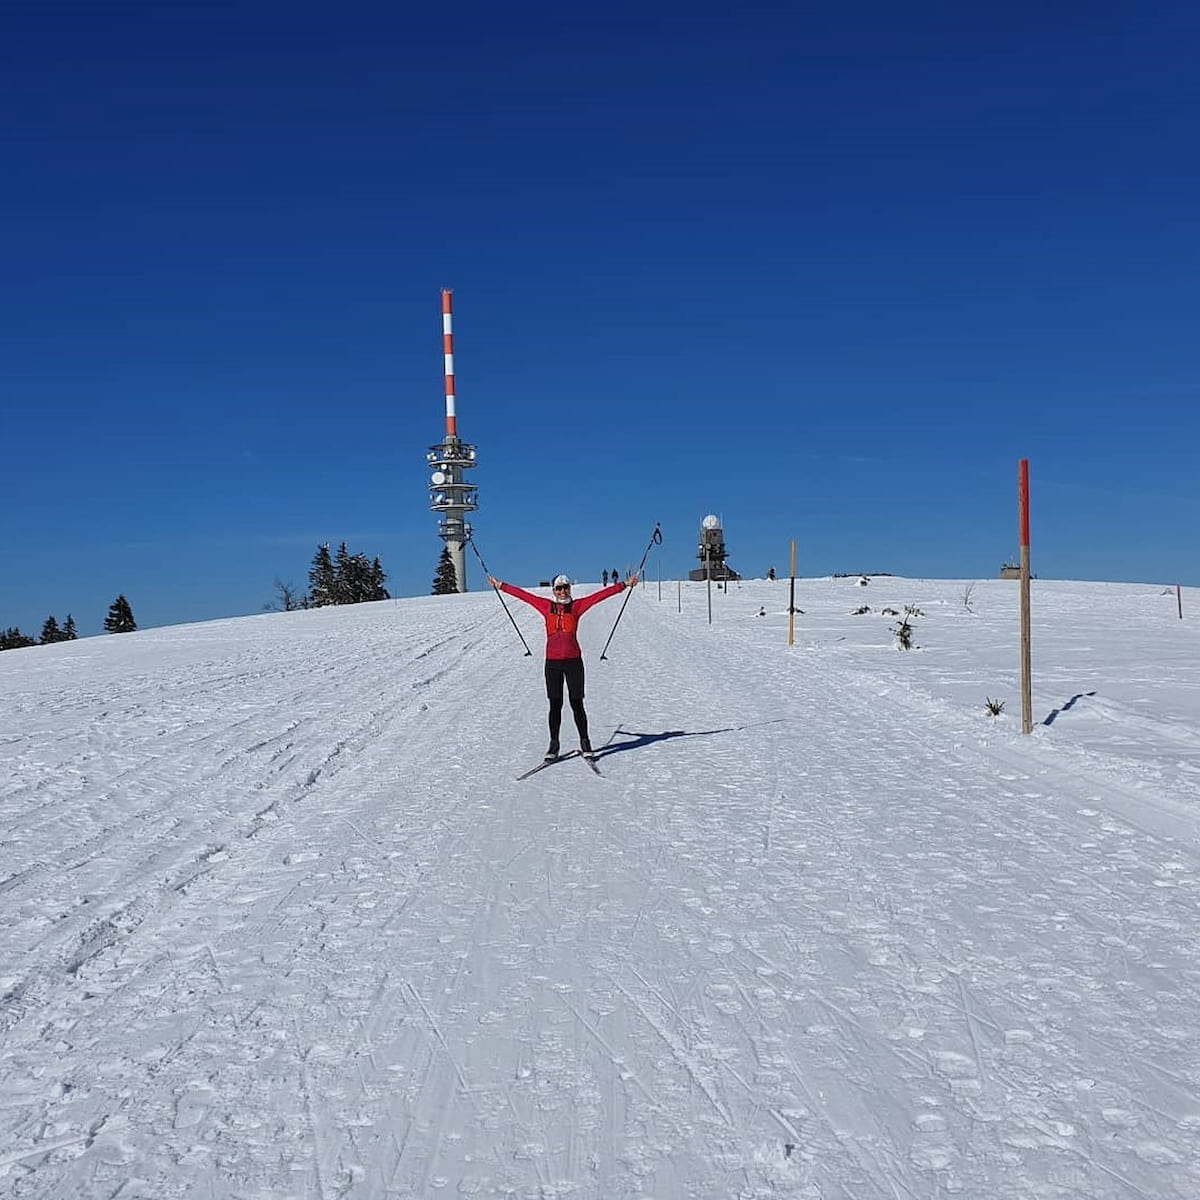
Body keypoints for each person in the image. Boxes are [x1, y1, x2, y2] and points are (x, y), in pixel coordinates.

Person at [487, 571, 637, 760]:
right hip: (553, 664)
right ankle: (553, 745)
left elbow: (600, 596)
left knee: (577, 703)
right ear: (554, 590)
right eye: (559, 588)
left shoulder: (576, 606)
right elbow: (524, 596)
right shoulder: (546, 606)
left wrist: (624, 585)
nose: (563, 591)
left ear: (569, 589)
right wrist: (501, 586)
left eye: (565, 588)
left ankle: (585, 742)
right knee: (555, 704)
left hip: (574, 662)